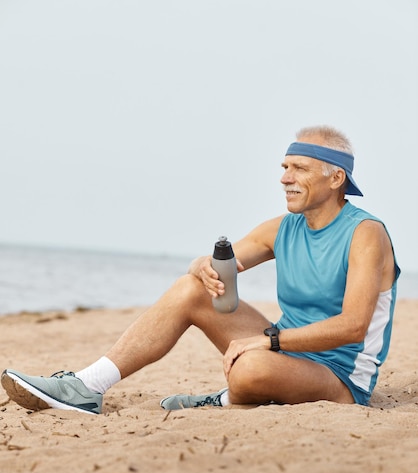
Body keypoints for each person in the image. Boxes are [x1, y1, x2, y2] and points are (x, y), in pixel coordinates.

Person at [1, 125, 400, 415]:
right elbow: (220, 265)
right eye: (284, 166)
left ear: (336, 177)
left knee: (250, 370)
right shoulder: (281, 228)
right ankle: (87, 385)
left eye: (298, 168)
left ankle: (225, 400)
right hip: (286, 353)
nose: (285, 178)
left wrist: (269, 343)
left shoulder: (366, 234)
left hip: (340, 377)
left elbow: (352, 326)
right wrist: (201, 266)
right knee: (191, 288)